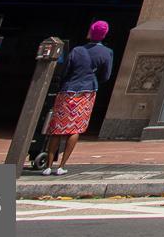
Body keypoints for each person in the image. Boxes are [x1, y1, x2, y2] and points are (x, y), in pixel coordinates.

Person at [42, 21, 114, 176]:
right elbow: (105, 75)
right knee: (75, 128)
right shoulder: (106, 52)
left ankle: (48, 166)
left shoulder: (77, 50)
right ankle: (61, 165)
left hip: (67, 90)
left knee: (57, 128)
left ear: (91, 32)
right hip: (87, 91)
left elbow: (65, 70)